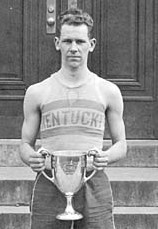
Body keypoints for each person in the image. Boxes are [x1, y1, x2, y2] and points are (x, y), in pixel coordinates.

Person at [20, 7, 127, 229]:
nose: (74, 48)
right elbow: (24, 145)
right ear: (57, 43)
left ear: (92, 44)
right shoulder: (37, 92)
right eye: (68, 41)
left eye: (80, 41)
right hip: (50, 181)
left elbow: (122, 145)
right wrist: (33, 158)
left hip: (93, 182)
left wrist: (106, 157)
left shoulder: (107, 91)